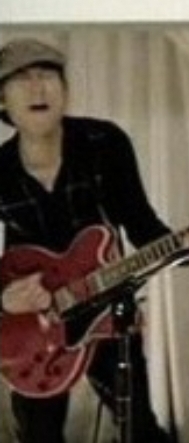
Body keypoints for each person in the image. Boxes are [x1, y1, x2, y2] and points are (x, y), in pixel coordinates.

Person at [0, 38, 171, 443]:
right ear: (2, 100)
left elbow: (139, 221)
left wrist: (185, 243)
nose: (38, 88)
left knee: (139, 430)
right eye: (22, 79)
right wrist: (4, 298)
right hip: (33, 327)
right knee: (39, 435)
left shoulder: (104, 142)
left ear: (65, 90)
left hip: (106, 306)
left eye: (48, 75)